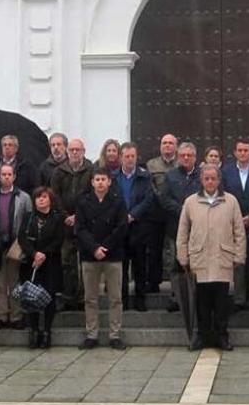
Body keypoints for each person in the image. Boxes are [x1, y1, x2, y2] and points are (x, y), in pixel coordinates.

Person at [177, 164, 245, 351]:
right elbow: (182, 232)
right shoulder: (191, 202)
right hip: (200, 260)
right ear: (201, 180)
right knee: (202, 302)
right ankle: (203, 336)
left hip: (223, 258)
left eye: (213, 178)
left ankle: (221, 336)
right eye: (206, 178)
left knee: (222, 302)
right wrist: (183, 257)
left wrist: (239, 255)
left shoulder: (230, 201)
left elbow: (239, 230)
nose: (209, 182)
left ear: (219, 180)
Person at [76, 168, 128, 350]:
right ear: (92, 182)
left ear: (109, 182)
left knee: (115, 297)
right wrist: (94, 247)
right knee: (90, 297)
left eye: (103, 179)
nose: (99, 182)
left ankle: (114, 335)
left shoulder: (118, 202)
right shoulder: (83, 202)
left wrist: (105, 247)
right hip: (90, 255)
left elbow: (121, 227)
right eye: (96, 179)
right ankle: (92, 335)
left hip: (112, 255)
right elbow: (80, 229)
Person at [18, 187, 65, 349]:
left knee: (48, 297)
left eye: (44, 197)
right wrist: (34, 254)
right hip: (31, 263)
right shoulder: (28, 217)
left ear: (50, 199)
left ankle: (46, 332)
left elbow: (59, 239)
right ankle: (34, 331)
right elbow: (22, 238)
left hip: (50, 262)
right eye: (38, 197)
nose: (41, 200)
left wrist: (43, 254)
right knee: (31, 297)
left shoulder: (57, 218)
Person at [0, 164, 32, 329]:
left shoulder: (23, 197)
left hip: (16, 244)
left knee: (15, 281)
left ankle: (16, 315)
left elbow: (29, 221)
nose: (6, 177)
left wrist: (23, 242)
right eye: (3, 174)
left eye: (9, 174)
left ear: (14, 176)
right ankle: (0, 315)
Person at [222, 140, 249, 310]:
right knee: (238, 260)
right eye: (239, 150)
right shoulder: (226, 172)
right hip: (233, 221)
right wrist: (236, 218)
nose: (242, 153)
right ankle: (239, 298)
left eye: (246, 150)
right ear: (234, 153)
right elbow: (223, 195)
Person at [50, 138, 93, 310]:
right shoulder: (59, 171)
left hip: (85, 223)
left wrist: (79, 216)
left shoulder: (91, 170)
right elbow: (54, 196)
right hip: (64, 224)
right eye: (72, 150)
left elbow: (92, 195)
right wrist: (65, 216)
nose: (75, 153)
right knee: (66, 262)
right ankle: (68, 296)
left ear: (83, 151)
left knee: (85, 263)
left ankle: (83, 297)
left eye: (78, 150)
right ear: (68, 152)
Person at [160, 142, 200, 313]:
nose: (185, 158)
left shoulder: (202, 175)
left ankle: (196, 296)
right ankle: (176, 297)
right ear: (178, 156)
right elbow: (164, 199)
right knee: (176, 264)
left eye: (189, 155)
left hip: (198, 228)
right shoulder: (170, 176)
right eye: (183, 155)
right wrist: (183, 210)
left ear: (195, 157)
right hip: (176, 227)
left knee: (197, 264)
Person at [113, 142, 154, 311]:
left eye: (133, 156)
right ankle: (122, 299)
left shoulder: (145, 176)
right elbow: (111, 198)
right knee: (120, 267)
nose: (130, 159)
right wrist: (121, 216)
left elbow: (148, 199)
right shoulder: (113, 177)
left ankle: (140, 298)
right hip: (119, 227)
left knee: (139, 265)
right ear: (121, 157)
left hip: (138, 227)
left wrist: (133, 214)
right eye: (127, 156)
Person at [145, 134, 178, 294]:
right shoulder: (152, 164)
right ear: (160, 146)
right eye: (164, 143)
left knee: (175, 250)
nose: (167, 146)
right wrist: (161, 199)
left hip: (174, 214)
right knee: (155, 249)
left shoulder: (180, 163)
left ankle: (176, 287)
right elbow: (150, 187)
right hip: (156, 212)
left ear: (176, 146)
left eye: (171, 143)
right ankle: (153, 282)